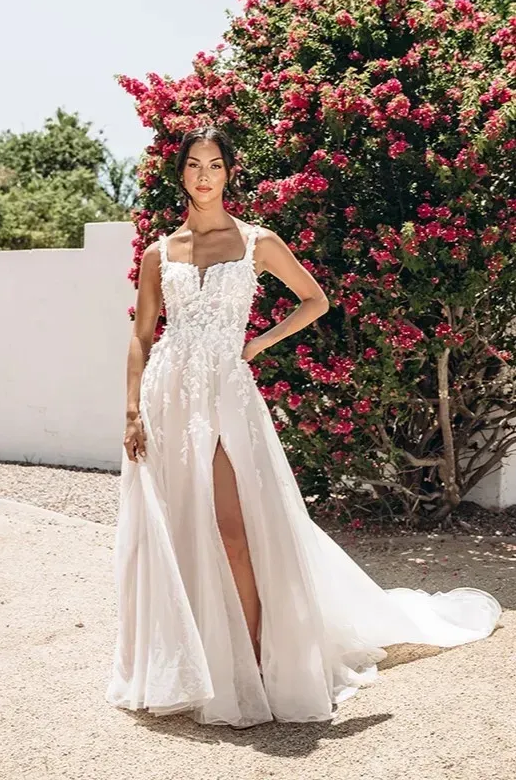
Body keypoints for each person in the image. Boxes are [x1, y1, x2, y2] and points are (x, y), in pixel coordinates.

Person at [105, 126, 502, 729]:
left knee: (235, 530)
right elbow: (140, 337)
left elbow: (314, 299)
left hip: (228, 398)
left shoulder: (258, 240)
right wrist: (132, 411)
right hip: (169, 400)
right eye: (193, 165)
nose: (204, 175)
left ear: (229, 173)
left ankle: (265, 664)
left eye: (215, 164)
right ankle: (194, 664)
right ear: (180, 174)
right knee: (180, 530)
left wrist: (257, 344)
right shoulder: (162, 252)